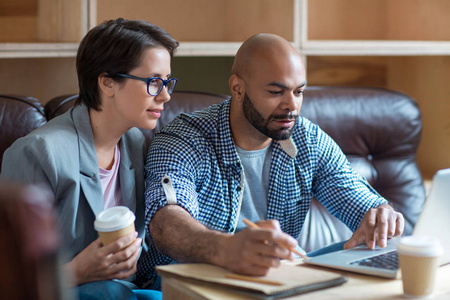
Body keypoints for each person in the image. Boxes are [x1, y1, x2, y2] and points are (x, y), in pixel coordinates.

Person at [138, 33, 404, 288]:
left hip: (277, 276)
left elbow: (357, 199)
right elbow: (166, 222)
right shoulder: (183, 139)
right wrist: (227, 250)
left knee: (382, 251)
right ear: (237, 87)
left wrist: (380, 214)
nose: (292, 106)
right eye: (276, 92)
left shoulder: (308, 140)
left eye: (298, 92)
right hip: (189, 276)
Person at [1, 18, 178, 300]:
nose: (166, 95)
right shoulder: (37, 153)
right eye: (154, 82)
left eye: (168, 82)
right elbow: (10, 280)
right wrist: (78, 270)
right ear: (107, 83)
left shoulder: (135, 142)